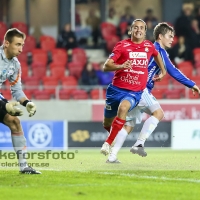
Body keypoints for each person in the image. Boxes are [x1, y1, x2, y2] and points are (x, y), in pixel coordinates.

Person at [106, 22, 200, 163]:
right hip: (140, 89)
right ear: (160, 36)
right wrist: (192, 84)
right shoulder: (157, 51)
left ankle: (112, 156)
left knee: (129, 126)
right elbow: (173, 71)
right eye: (169, 36)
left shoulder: (148, 48)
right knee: (159, 113)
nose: (172, 39)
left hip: (132, 89)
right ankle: (139, 144)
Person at [100, 19, 166, 156]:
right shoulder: (122, 46)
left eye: (141, 28)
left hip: (134, 92)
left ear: (145, 32)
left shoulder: (149, 46)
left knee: (123, 108)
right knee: (106, 123)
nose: (138, 30)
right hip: (116, 90)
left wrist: (163, 70)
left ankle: (107, 143)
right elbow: (106, 66)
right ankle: (112, 137)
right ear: (131, 30)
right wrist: (121, 66)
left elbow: (157, 54)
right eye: (136, 27)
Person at [0, 28, 40, 174]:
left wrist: (27, 102)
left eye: (22, 45)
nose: (21, 49)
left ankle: (24, 167)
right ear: (6, 43)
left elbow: (16, 90)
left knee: (14, 121)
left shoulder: (15, 64)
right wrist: (5, 105)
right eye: (17, 44)